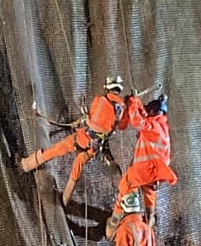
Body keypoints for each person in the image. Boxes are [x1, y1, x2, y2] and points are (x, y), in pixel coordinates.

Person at [20, 76, 129, 205]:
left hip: (82, 137)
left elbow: (92, 116)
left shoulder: (100, 100)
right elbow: (121, 126)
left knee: (56, 149)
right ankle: (64, 201)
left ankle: (26, 165)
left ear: (108, 87)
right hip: (94, 147)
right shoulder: (122, 109)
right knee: (76, 169)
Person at [110, 93, 177, 228]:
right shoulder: (161, 126)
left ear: (153, 112)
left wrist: (133, 102)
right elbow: (143, 117)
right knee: (149, 206)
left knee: (125, 191)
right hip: (154, 174)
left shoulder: (153, 125)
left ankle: (112, 227)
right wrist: (137, 104)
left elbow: (137, 121)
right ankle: (147, 231)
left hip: (143, 171)